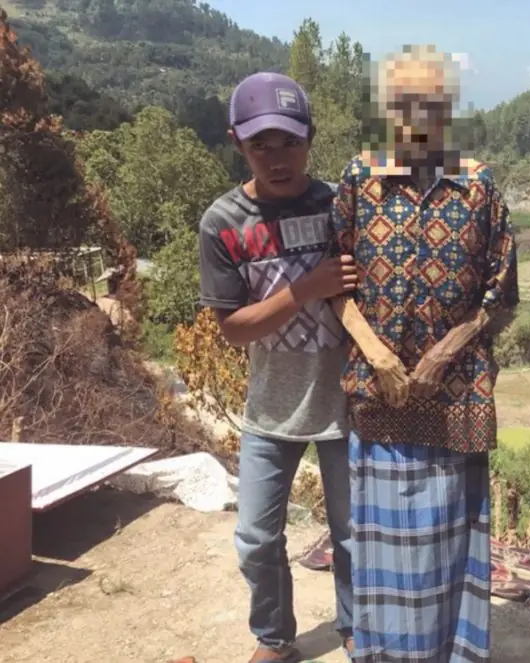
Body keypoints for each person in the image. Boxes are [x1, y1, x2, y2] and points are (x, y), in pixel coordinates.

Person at [329, 45, 518, 662]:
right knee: (382, 544)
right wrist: (375, 352)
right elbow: (331, 282)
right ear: (385, 109)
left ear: (448, 108)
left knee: (448, 542)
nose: (416, 117)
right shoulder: (359, 180)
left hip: (455, 397)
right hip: (379, 395)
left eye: (430, 104)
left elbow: (501, 291)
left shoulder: (477, 185)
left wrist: (447, 350)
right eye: (403, 103)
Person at [197, 72, 358, 663]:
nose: (277, 158)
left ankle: (355, 625)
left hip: (346, 403)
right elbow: (233, 329)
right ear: (236, 142)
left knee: (352, 533)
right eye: (260, 144)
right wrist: (306, 288)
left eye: (289, 141)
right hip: (269, 410)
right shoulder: (223, 222)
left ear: (310, 137)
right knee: (256, 537)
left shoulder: (340, 205)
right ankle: (275, 637)